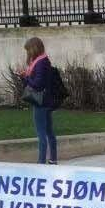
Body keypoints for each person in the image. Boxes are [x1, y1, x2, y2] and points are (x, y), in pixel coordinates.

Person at [21, 37, 59, 165]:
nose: (28, 53)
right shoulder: (44, 60)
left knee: (41, 133)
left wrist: (25, 78)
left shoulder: (40, 63)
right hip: (47, 101)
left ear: (34, 48)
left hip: (40, 102)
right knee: (49, 131)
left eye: (28, 50)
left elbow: (37, 84)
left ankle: (41, 162)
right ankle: (53, 159)